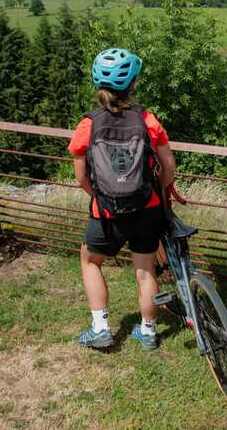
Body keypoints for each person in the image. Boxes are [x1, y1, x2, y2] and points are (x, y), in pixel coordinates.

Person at [69, 48, 175, 350]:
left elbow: (81, 178)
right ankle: (149, 332)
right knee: (145, 270)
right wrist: (158, 191)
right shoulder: (147, 120)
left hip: (106, 213)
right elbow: (169, 167)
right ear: (133, 83)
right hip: (147, 207)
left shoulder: (88, 125)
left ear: (96, 83)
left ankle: (101, 328)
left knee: (90, 260)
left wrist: (102, 197)